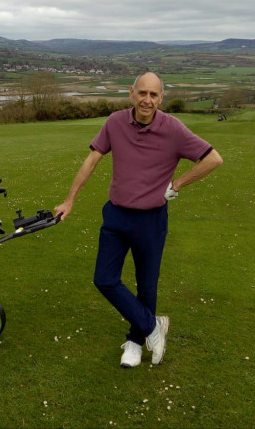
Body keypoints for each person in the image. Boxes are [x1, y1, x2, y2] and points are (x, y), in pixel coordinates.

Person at [54, 71, 223, 368]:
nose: (147, 100)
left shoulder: (173, 129)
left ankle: (135, 341)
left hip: (151, 220)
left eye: (153, 95)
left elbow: (213, 158)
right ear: (131, 92)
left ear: (161, 98)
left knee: (147, 285)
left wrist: (176, 185)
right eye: (142, 93)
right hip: (116, 214)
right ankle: (152, 326)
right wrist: (70, 199)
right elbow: (92, 159)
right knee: (104, 279)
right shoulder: (115, 122)